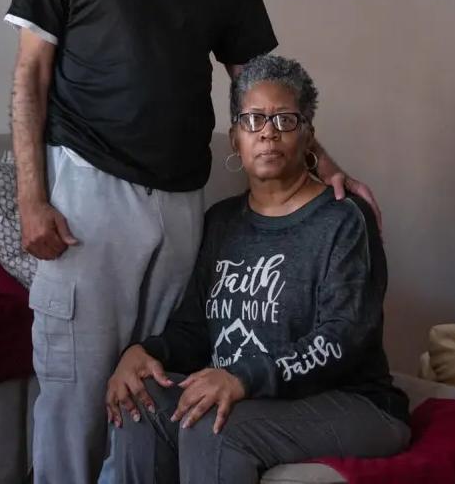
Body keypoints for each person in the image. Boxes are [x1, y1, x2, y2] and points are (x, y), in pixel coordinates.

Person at [5, 0, 380, 484]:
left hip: (183, 198)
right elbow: (30, 76)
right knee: (74, 393)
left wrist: (324, 163)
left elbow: (258, 87)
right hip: (87, 195)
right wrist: (32, 197)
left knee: (155, 380)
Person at [107, 55, 409, 484]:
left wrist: (243, 377)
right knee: (140, 402)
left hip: (351, 401)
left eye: (285, 119)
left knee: (212, 426)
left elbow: (344, 338)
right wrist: (144, 353)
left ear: (308, 137)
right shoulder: (221, 222)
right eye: (252, 120)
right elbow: (196, 329)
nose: (267, 132)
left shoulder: (343, 220)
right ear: (235, 139)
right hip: (254, 396)